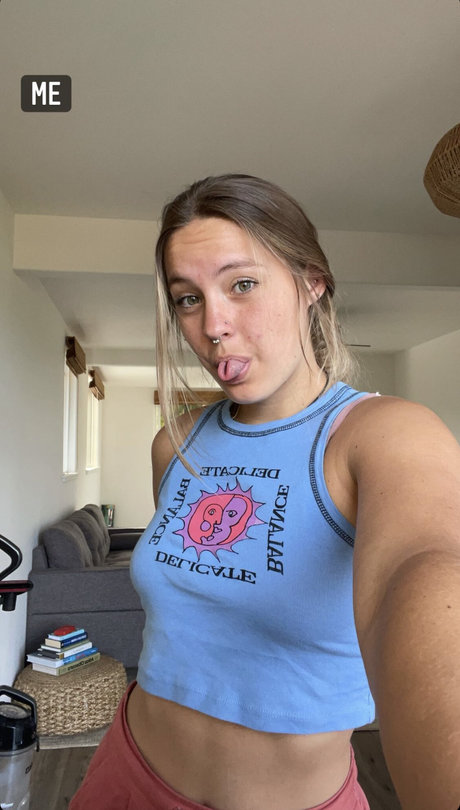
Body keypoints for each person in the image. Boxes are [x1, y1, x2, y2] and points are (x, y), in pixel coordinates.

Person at [69, 174, 460, 810]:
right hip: (126, 772)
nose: (213, 325)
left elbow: (423, 568)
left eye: (242, 284)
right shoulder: (176, 443)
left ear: (312, 283)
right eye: (188, 299)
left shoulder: (382, 434)